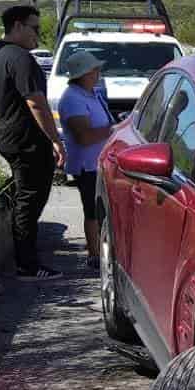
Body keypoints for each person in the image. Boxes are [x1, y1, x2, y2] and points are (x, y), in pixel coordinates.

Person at [0, 5, 65, 280]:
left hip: (10, 137)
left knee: (27, 198)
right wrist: (56, 140)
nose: (38, 35)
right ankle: (27, 265)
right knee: (29, 199)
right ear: (18, 26)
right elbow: (36, 103)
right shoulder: (20, 58)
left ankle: (27, 259)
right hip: (25, 140)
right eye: (34, 28)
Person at [57, 50, 117, 271]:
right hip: (87, 166)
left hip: (98, 164)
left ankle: (100, 251)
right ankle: (93, 255)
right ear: (83, 74)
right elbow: (83, 136)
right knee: (92, 210)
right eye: (93, 70)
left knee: (99, 210)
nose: (98, 73)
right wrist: (114, 130)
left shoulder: (90, 94)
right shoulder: (73, 99)